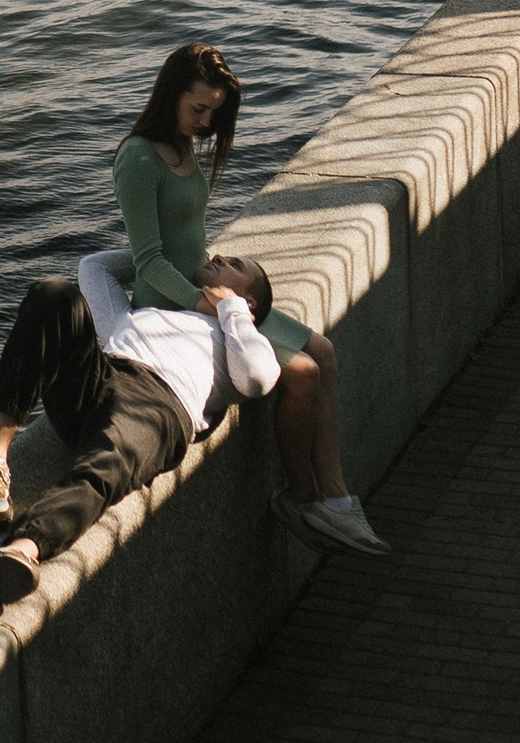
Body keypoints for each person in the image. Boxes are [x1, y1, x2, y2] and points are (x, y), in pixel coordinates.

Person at [105, 41, 386, 556]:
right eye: (199, 109)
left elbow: (187, 235)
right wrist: (205, 303)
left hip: (211, 292)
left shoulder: (184, 145)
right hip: (177, 307)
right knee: (300, 372)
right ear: (170, 96)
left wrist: (222, 287)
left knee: (322, 351)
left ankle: (337, 497)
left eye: (216, 112)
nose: (207, 121)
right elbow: (147, 261)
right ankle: (300, 498)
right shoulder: (138, 159)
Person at [0, 252, 282, 605]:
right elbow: (93, 268)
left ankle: (21, 551)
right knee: (53, 294)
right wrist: (167, 250)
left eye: (235, 265)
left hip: (158, 403)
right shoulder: (150, 313)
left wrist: (231, 311)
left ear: (249, 302)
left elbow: (257, 380)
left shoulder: (236, 341)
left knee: (104, 467)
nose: (220, 256)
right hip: (100, 375)